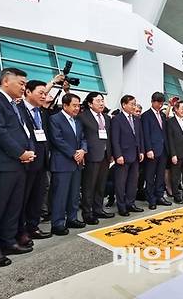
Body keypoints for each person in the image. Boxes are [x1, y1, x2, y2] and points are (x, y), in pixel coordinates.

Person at [0, 68, 35, 266]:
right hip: (4, 164)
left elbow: (24, 130)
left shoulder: (16, 104)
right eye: (21, 83)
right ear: (5, 81)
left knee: (14, 206)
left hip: (21, 163)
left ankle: (8, 241)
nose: (24, 87)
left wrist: (28, 151)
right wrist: (20, 153)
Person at [17, 80, 53, 242]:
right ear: (28, 92)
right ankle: (19, 231)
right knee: (22, 199)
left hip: (42, 162)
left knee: (37, 197)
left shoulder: (42, 113)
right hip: (25, 162)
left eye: (45, 94)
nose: (44, 96)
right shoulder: (18, 110)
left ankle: (33, 226)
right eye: (41, 93)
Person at [48, 93, 87, 235]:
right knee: (60, 195)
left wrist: (83, 150)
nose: (77, 108)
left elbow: (83, 138)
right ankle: (57, 223)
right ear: (65, 105)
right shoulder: (55, 119)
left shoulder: (77, 121)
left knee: (74, 194)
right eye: (74, 105)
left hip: (77, 163)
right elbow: (57, 140)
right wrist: (73, 153)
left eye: (78, 105)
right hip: (62, 162)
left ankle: (72, 218)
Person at [79, 92, 116, 222]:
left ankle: (98, 209)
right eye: (98, 101)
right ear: (90, 103)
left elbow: (109, 137)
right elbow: (81, 137)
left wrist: (111, 153)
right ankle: (87, 213)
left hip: (105, 156)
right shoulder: (83, 117)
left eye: (102, 100)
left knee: (101, 185)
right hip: (91, 156)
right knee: (89, 186)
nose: (101, 103)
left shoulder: (106, 118)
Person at [111, 95, 145, 216]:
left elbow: (139, 137)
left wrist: (141, 151)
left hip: (135, 155)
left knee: (133, 181)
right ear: (124, 105)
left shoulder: (136, 119)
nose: (134, 106)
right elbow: (115, 139)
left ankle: (130, 203)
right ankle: (121, 206)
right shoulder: (117, 119)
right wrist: (118, 155)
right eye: (131, 104)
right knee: (121, 182)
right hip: (123, 156)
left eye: (135, 104)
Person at [140, 92, 171, 209]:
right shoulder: (146, 115)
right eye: (158, 102)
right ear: (152, 101)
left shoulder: (162, 115)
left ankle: (159, 196)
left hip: (163, 150)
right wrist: (148, 149)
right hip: (152, 150)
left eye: (161, 103)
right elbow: (145, 134)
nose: (159, 105)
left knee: (160, 175)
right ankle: (151, 199)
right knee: (150, 176)